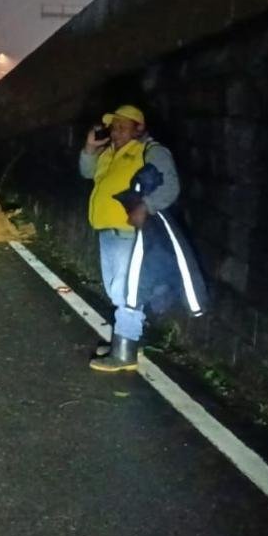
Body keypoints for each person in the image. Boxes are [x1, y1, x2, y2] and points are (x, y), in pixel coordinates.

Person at [78, 104, 180, 372]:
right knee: (116, 290)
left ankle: (125, 353)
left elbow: (170, 185)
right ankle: (128, 340)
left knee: (127, 291)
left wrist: (145, 206)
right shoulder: (107, 153)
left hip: (130, 234)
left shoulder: (150, 151)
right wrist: (90, 148)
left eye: (123, 126)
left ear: (139, 128)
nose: (116, 131)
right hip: (108, 232)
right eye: (114, 126)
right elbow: (87, 172)